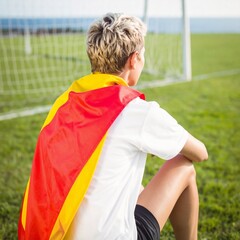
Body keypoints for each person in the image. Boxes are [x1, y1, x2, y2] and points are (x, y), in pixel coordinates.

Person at [18, 13, 208, 240]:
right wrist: (170, 145)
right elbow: (200, 153)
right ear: (134, 59)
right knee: (183, 165)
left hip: (55, 233)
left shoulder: (66, 103)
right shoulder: (137, 111)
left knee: (134, 186)